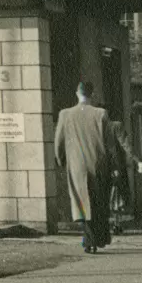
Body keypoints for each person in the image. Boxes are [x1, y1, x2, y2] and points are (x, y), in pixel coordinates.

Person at [54, 82, 119, 253]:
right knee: (99, 201)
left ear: (77, 93)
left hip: (76, 166)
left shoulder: (65, 114)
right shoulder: (101, 114)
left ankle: (89, 239)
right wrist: (114, 165)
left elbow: (58, 142)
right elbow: (110, 144)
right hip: (99, 164)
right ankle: (97, 237)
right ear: (92, 94)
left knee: (81, 202)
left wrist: (61, 160)